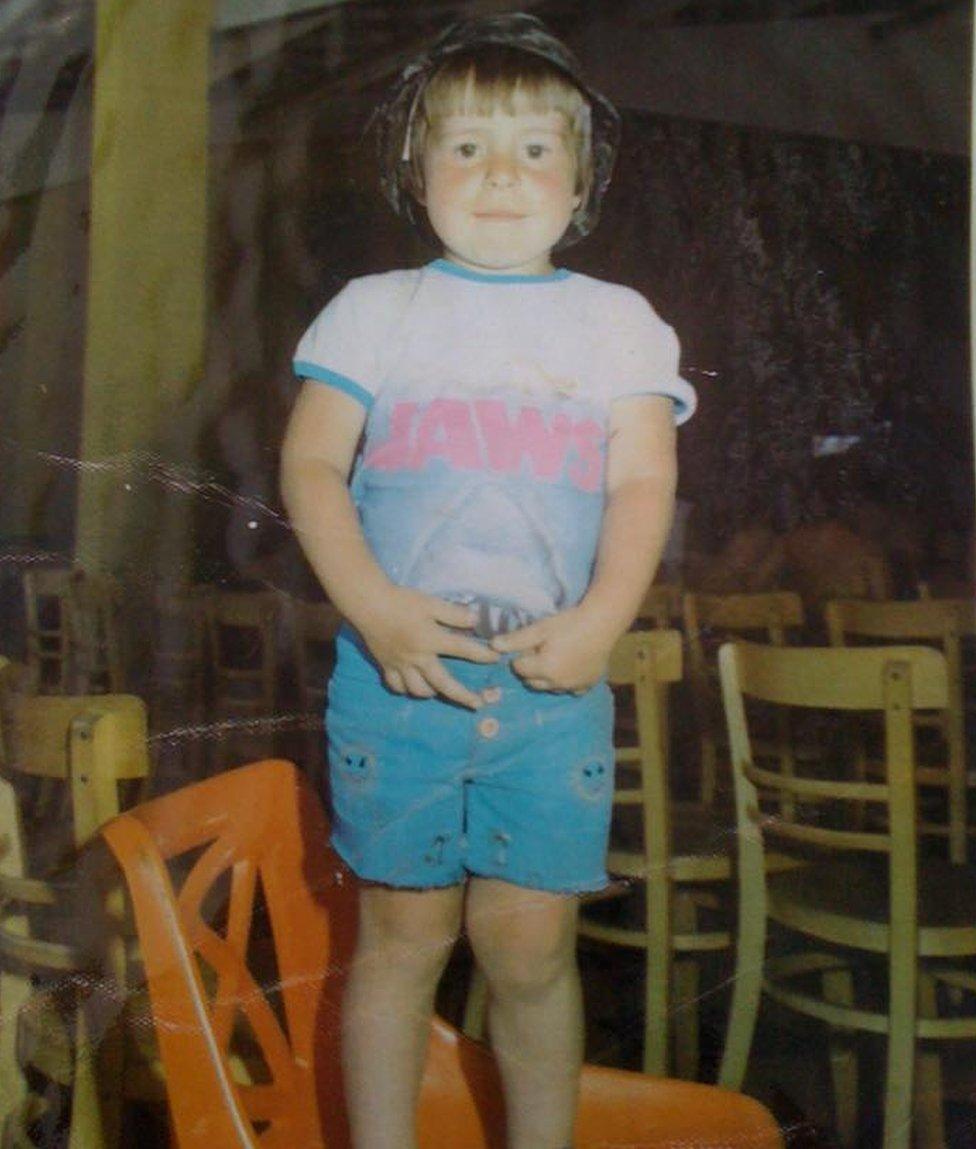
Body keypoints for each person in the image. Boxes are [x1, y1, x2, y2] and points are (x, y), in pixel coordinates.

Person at [280, 14, 696, 1148]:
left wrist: (602, 621)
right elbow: (310, 463)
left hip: (550, 690)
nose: (499, 175)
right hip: (396, 686)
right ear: (416, 172)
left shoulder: (618, 326)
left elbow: (640, 488)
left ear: (582, 177)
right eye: (464, 146)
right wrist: (371, 606)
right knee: (399, 945)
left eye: (532, 149)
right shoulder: (375, 309)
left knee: (529, 950)